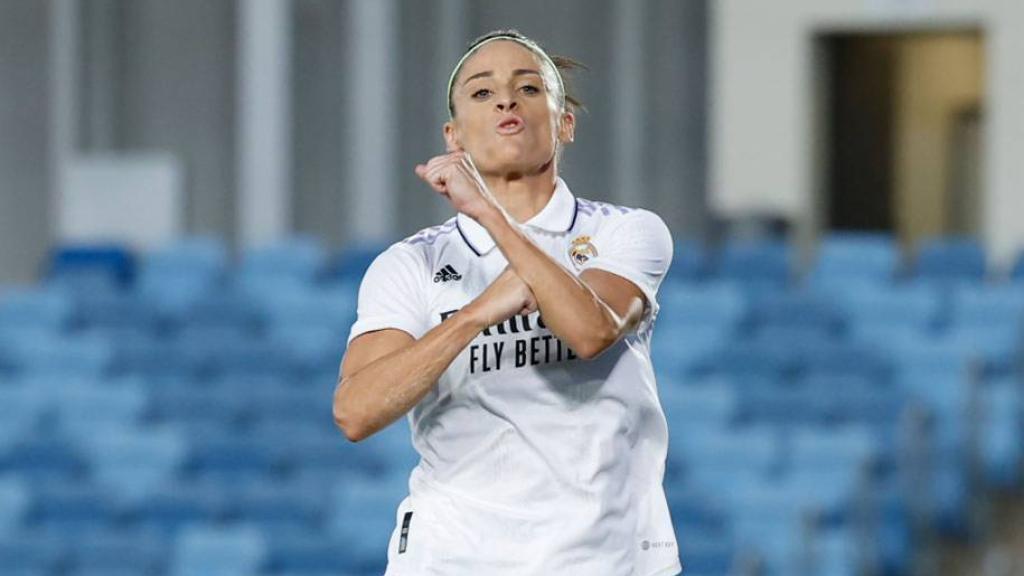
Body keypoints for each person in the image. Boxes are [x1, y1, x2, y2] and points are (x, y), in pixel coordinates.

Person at [333, 29, 679, 576]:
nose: (506, 101)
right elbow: (355, 412)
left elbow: (591, 332)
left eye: (528, 88)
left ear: (565, 123)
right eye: (481, 92)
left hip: (605, 559)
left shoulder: (628, 232)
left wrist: (490, 218)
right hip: (451, 558)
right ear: (455, 138)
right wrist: (473, 315)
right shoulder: (411, 264)